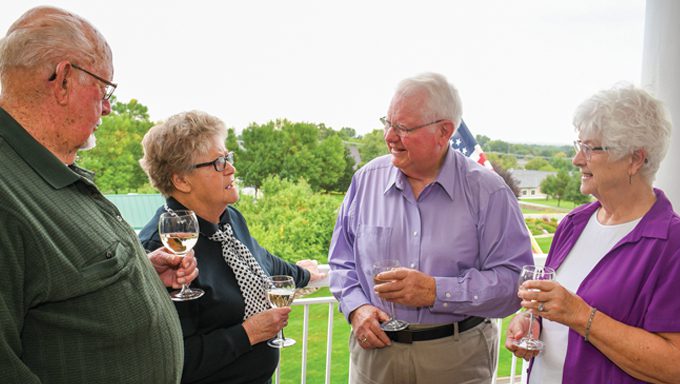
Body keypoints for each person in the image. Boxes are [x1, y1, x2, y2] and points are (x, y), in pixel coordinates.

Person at [0, 6, 198, 383]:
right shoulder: (7, 192)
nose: (107, 108)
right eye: (104, 89)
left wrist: (140, 274)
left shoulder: (46, 170)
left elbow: (62, 284)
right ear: (62, 80)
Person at [328, 72, 534, 384]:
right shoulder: (365, 180)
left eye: (403, 128)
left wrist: (436, 291)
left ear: (444, 131)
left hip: (454, 358)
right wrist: (357, 308)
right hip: (375, 357)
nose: (389, 136)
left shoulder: (489, 193)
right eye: (388, 122)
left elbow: (512, 283)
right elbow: (341, 261)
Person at [505, 85, 680, 383]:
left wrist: (580, 315)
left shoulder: (670, 243)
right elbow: (557, 314)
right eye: (579, 145)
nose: (577, 160)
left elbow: (673, 365)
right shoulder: (574, 222)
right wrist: (531, 322)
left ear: (635, 159)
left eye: (590, 148)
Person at [138, 110, 324, 384]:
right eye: (218, 162)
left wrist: (306, 275)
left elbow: (264, 261)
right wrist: (248, 333)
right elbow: (172, 360)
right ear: (181, 180)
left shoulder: (229, 219)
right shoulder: (164, 250)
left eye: (228, 157)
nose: (231, 168)